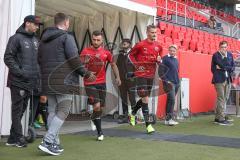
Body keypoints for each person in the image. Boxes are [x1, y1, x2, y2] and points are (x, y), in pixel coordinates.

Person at [38, 13, 95, 156]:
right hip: (64, 80)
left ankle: (54, 143)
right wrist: (86, 73)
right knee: (63, 111)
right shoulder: (67, 37)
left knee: (52, 111)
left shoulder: (43, 40)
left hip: (48, 80)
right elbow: (74, 59)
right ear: (66, 23)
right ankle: (48, 140)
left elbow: (39, 60)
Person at [4, 15, 41, 148]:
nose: (37, 27)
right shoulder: (16, 38)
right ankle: (19, 138)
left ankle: (12, 138)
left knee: (22, 110)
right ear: (27, 23)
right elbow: (8, 58)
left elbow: (37, 62)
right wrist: (20, 72)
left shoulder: (36, 41)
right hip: (18, 81)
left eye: (38, 25)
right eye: (35, 24)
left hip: (30, 82)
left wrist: (37, 79)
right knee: (17, 109)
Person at [80, 30, 121, 141]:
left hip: (102, 83)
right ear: (91, 39)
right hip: (89, 83)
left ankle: (93, 118)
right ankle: (100, 133)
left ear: (102, 40)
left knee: (100, 109)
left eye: (98, 40)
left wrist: (117, 77)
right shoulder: (85, 51)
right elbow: (79, 66)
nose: (96, 42)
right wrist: (85, 65)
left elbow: (113, 65)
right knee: (97, 105)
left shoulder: (106, 53)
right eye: (94, 39)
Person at [129, 25, 162, 134]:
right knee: (145, 99)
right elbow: (131, 56)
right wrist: (137, 66)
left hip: (151, 75)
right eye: (152, 32)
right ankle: (148, 126)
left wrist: (159, 60)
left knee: (145, 98)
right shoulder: (140, 44)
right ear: (147, 33)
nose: (154, 34)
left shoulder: (159, 46)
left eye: (155, 32)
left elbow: (159, 59)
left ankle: (133, 113)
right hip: (140, 74)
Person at [211, 41, 235, 126]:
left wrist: (223, 68)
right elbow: (221, 65)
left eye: (225, 47)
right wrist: (224, 66)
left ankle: (218, 117)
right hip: (219, 79)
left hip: (228, 79)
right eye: (222, 47)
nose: (224, 49)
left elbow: (232, 67)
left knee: (225, 98)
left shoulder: (230, 54)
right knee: (221, 98)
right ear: (219, 47)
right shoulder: (216, 55)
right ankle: (221, 119)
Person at [116, 39, 136, 124]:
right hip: (122, 80)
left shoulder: (133, 54)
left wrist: (133, 77)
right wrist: (118, 78)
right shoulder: (120, 55)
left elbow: (137, 66)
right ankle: (125, 117)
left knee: (132, 99)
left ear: (130, 44)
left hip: (131, 80)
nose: (124, 44)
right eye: (123, 43)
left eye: (126, 42)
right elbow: (116, 67)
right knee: (123, 98)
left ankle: (133, 118)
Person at [159, 45, 180, 126]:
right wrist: (166, 81)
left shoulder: (176, 59)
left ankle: (167, 120)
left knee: (170, 100)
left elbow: (176, 71)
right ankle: (169, 119)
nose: (172, 52)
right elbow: (161, 71)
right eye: (171, 50)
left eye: (174, 51)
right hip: (169, 83)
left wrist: (178, 82)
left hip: (176, 83)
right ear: (168, 50)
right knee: (172, 100)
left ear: (176, 51)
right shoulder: (164, 59)